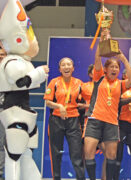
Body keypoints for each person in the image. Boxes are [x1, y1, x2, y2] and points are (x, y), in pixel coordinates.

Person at [0, 0, 49, 179]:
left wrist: (37, 75)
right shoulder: (11, 61)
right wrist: (38, 74)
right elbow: (20, 81)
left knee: (26, 155)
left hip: (25, 113)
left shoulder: (19, 60)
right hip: (15, 114)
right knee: (13, 157)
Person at [83, 47, 131, 180]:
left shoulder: (121, 83)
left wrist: (123, 59)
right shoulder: (99, 77)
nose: (114, 69)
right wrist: (102, 39)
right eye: (111, 67)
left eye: (116, 67)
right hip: (94, 120)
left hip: (111, 123)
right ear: (105, 69)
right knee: (88, 153)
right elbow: (97, 58)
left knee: (112, 156)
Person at [44, 57, 86, 180]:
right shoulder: (54, 82)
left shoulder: (79, 83)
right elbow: (47, 102)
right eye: (63, 65)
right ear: (60, 69)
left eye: (69, 65)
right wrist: (59, 106)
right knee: (56, 153)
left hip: (73, 122)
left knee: (76, 155)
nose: (66, 67)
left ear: (73, 68)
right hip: (56, 121)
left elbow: (88, 99)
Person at [0, 46, 7, 180]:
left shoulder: (11, 71)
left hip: (5, 110)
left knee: (2, 144)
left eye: (3, 54)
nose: (1, 56)